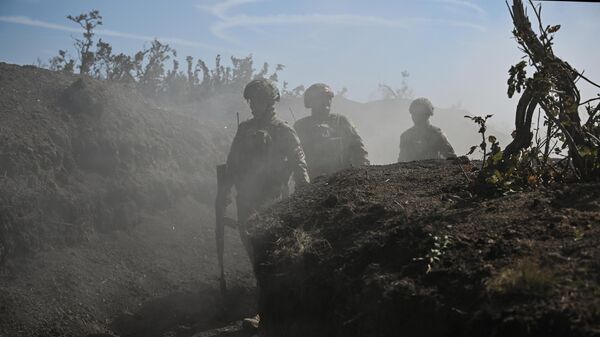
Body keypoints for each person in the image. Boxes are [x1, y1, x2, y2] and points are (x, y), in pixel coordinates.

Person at [216, 78, 310, 330]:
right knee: (254, 251)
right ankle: (268, 303)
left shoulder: (283, 130)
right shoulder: (244, 129)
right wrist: (224, 190)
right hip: (245, 199)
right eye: (250, 100)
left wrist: (304, 191)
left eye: (257, 100)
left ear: (271, 101)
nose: (252, 105)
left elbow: (299, 162)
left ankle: (268, 313)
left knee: (266, 254)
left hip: (273, 201)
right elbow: (233, 162)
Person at [293, 83, 369, 179]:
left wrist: (363, 175)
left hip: (342, 181)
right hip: (313, 183)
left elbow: (359, 150)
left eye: (328, 98)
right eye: (320, 98)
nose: (326, 101)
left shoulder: (341, 121)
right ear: (310, 102)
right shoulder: (301, 126)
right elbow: (294, 158)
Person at [398, 97, 456, 162]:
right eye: (414, 114)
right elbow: (401, 161)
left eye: (420, 114)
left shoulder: (437, 134)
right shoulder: (406, 136)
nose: (416, 117)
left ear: (427, 115)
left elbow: (451, 158)